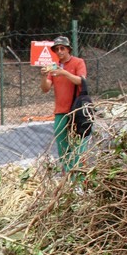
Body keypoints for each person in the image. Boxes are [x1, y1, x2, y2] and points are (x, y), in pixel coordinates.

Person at [40, 35, 88, 170]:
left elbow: (81, 80)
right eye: (57, 49)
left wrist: (64, 73)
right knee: (62, 145)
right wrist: (44, 76)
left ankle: (79, 177)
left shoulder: (78, 62)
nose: (59, 51)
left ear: (68, 49)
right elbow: (45, 88)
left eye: (62, 48)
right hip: (61, 111)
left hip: (77, 110)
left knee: (79, 145)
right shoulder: (54, 67)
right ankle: (68, 176)